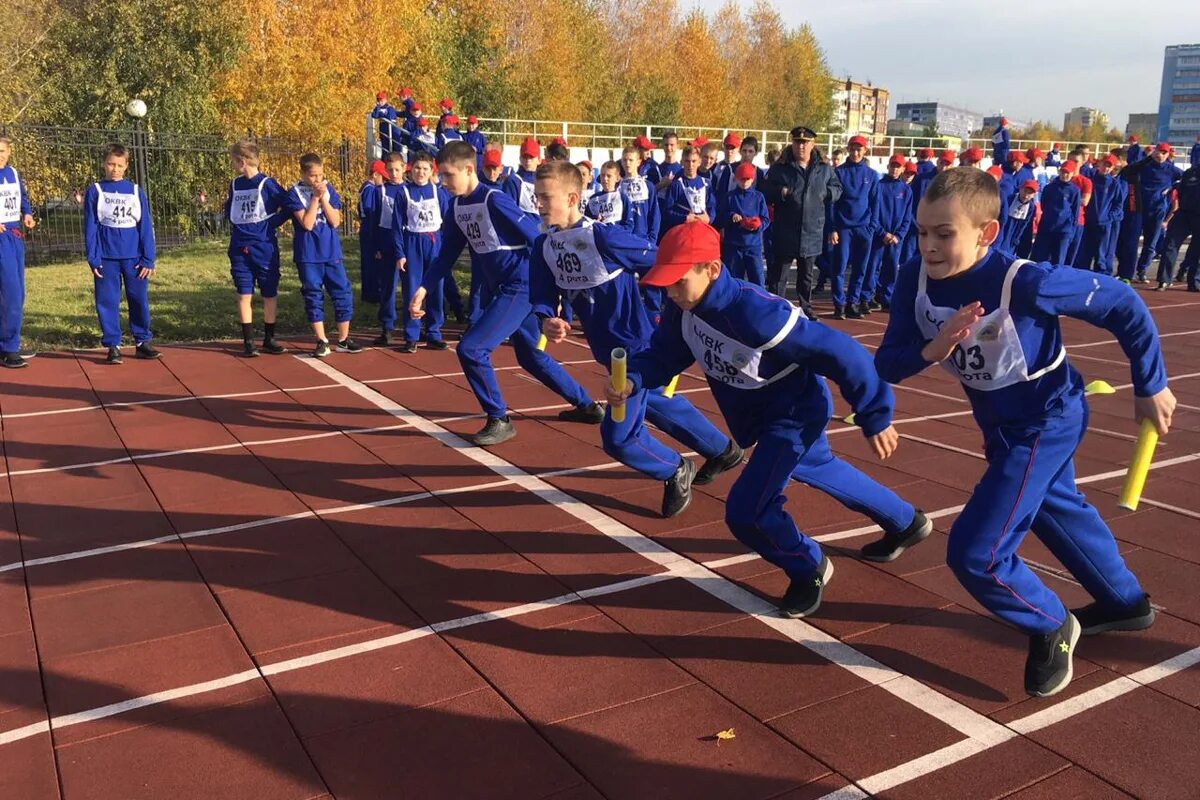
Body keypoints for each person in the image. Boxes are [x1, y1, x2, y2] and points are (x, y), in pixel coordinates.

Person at [875, 166, 1172, 697]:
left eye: (945, 234)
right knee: (1055, 506)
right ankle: (1124, 602)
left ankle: (1051, 623)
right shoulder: (912, 280)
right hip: (1001, 426)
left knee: (976, 552)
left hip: (1049, 419)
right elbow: (889, 364)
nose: (930, 246)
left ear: (986, 233)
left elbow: (1123, 302)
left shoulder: (1026, 281)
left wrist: (1150, 384)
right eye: (922, 231)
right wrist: (933, 347)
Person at [607, 222, 931, 617]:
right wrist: (635, 379)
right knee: (819, 466)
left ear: (711, 269)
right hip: (759, 414)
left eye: (678, 281)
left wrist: (875, 415)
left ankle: (809, 565)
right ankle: (906, 521)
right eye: (665, 283)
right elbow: (664, 357)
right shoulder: (684, 308)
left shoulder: (759, 314)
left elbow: (844, 353)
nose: (670, 292)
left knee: (747, 511)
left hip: (794, 416)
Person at [530, 161, 741, 517]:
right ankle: (722, 451)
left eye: (545, 197)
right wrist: (548, 319)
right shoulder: (544, 245)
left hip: (636, 350)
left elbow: (663, 263)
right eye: (536, 197)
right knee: (658, 403)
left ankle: (675, 469)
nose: (538, 204)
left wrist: (697, 302)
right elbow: (543, 292)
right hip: (606, 352)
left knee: (618, 438)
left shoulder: (605, 238)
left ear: (572, 198)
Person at [410, 141, 603, 446]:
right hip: (502, 288)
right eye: (441, 176)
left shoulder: (494, 200)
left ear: (469, 170)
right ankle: (588, 406)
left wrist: (558, 293)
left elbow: (538, 238)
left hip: (521, 285)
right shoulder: (457, 206)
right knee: (529, 356)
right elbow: (446, 254)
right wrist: (423, 287)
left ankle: (499, 418)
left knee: (471, 349)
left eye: (447, 176)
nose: (443, 183)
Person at [83, 143, 159, 365]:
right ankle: (113, 345)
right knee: (107, 301)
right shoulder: (95, 191)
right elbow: (90, 227)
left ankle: (142, 342)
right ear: (104, 164)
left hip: (134, 259)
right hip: (106, 258)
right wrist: (93, 257)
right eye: (110, 164)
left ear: (126, 166)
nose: (114, 169)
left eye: (119, 165)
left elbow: (145, 226)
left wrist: (148, 258)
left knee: (138, 300)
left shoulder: (135, 191)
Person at [283, 153, 361, 357]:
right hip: (308, 254)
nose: (317, 180)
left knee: (342, 292)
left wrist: (324, 198)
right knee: (313, 295)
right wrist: (315, 199)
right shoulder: (294, 193)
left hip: (331, 251)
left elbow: (335, 221)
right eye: (313, 176)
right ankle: (322, 339)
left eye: (320, 175)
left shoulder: (329, 190)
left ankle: (343, 339)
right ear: (303, 174)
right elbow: (307, 224)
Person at [760, 126, 841, 320]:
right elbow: (765, 190)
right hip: (786, 229)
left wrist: (826, 193)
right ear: (792, 144)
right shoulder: (780, 167)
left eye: (805, 143)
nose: (801, 146)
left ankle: (806, 305)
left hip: (812, 229)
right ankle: (776, 306)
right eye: (797, 142)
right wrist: (782, 192)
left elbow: (837, 188)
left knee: (806, 274)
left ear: (813, 144)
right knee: (780, 274)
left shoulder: (823, 168)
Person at [224, 139, 288, 357]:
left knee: (269, 293)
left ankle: (270, 338)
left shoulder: (267, 184)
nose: (232, 165)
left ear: (242, 161)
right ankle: (249, 341)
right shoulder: (235, 184)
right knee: (244, 293)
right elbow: (229, 208)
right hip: (240, 247)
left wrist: (272, 223)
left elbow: (288, 204)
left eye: (233, 161)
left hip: (264, 247)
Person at [390, 151, 451, 350]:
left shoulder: (438, 192)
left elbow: (448, 222)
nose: (421, 172)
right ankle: (411, 335)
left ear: (431, 170)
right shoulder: (404, 192)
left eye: (425, 169)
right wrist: (400, 253)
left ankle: (433, 331)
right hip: (413, 243)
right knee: (412, 289)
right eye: (417, 168)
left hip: (435, 243)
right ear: (411, 169)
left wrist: (446, 250)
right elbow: (397, 226)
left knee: (436, 288)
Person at [832, 135, 879, 319]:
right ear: (848, 149)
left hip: (864, 228)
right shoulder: (839, 172)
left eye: (859, 149)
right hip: (844, 227)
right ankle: (839, 303)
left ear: (865, 151)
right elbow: (833, 203)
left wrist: (872, 226)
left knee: (860, 268)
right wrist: (833, 228)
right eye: (852, 148)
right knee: (840, 266)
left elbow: (875, 203)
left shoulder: (871, 175)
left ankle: (853, 302)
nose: (856, 152)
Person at [0, 137, 35, 368]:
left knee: (17, 292)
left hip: (13, 235)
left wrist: (27, 213)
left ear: (9, 151)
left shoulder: (13, 173)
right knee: (9, 291)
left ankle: (9, 342)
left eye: (2, 150)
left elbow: (21, 196)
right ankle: (8, 349)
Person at [869, 154, 913, 309]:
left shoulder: (906, 190)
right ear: (888, 167)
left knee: (892, 268)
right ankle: (868, 296)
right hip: (879, 236)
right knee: (873, 266)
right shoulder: (879, 186)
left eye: (898, 167)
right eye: (892, 166)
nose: (895, 169)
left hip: (895, 239)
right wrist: (881, 233)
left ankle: (886, 296)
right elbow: (873, 213)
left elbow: (907, 217)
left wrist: (898, 235)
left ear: (902, 169)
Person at [717, 161, 769, 285]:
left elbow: (766, 219)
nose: (745, 182)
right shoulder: (729, 197)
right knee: (734, 281)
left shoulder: (758, 197)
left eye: (747, 179)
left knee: (757, 280)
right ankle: (735, 303)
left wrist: (758, 224)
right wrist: (731, 216)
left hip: (753, 246)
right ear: (736, 179)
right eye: (742, 179)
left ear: (753, 179)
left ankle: (757, 303)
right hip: (734, 246)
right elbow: (719, 218)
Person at [1155, 160, 1200, 290]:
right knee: (1170, 245)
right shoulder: (1191, 172)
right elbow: (1181, 190)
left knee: (1197, 251)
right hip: (1184, 214)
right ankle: (1164, 280)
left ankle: (1194, 282)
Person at [1030, 161, 1082, 264]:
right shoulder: (1050, 187)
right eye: (1063, 172)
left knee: (1058, 260)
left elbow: (1075, 211)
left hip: (1063, 230)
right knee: (1040, 258)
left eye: (1067, 173)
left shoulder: (1074, 190)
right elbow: (1044, 204)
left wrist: (1071, 230)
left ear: (1072, 174)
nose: (1065, 175)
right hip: (1047, 228)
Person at [358, 160, 387, 304]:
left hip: (366, 226)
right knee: (371, 261)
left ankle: (369, 292)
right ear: (375, 175)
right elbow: (371, 211)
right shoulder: (370, 189)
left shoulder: (366, 187)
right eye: (382, 177)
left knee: (369, 261)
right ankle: (372, 293)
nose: (383, 181)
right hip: (368, 227)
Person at [584, 161, 633, 228]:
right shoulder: (593, 199)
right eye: (602, 175)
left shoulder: (622, 198)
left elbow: (628, 224)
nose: (605, 179)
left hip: (618, 236)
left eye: (609, 176)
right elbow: (586, 222)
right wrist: (595, 221)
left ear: (617, 178)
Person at [371, 91, 400, 155]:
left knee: (395, 146)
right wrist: (378, 108)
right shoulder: (377, 108)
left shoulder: (390, 108)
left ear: (386, 100)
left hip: (392, 128)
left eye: (382, 99)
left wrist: (381, 115)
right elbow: (374, 115)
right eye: (378, 99)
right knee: (385, 147)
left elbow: (390, 117)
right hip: (383, 128)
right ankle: (385, 161)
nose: (380, 101)